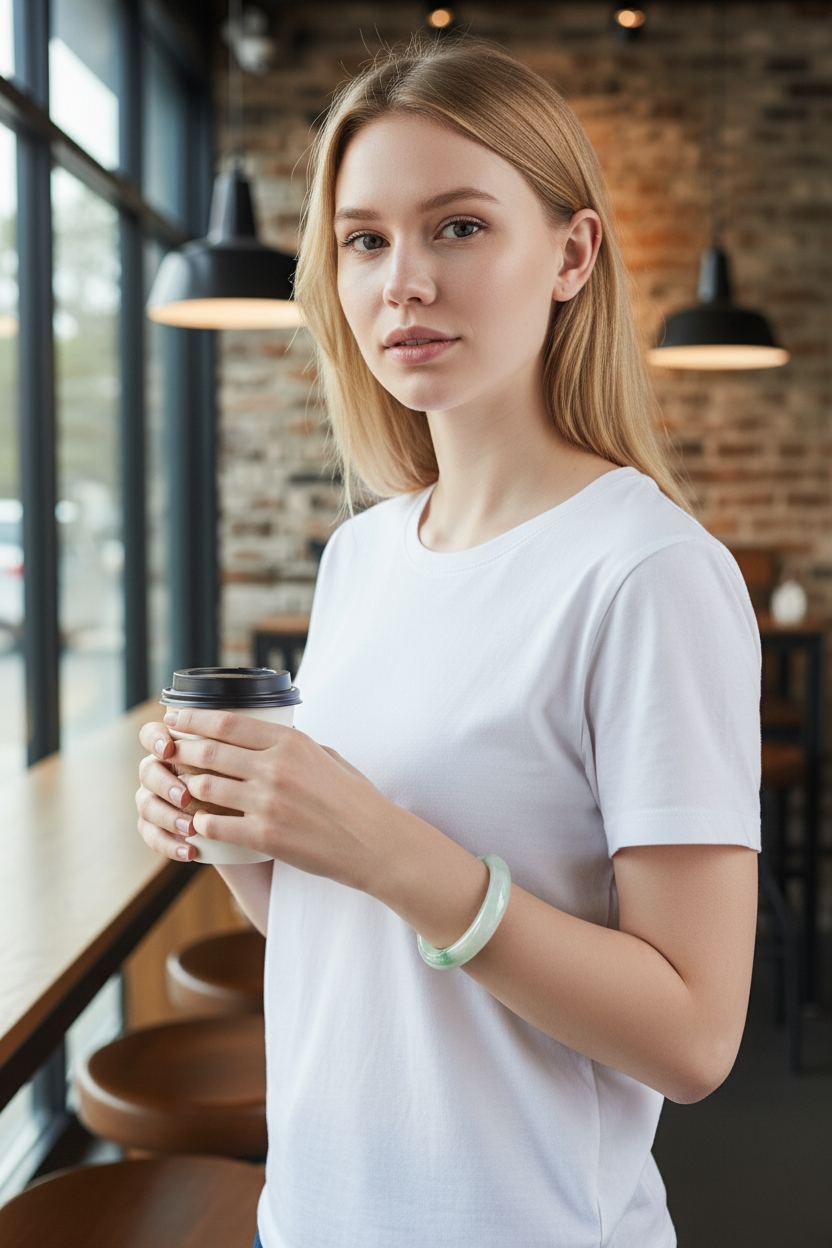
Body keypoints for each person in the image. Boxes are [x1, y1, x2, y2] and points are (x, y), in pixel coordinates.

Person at [136, 37, 761, 1248]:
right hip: (314, 1215)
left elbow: (693, 1039)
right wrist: (234, 832)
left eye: (457, 227)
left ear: (571, 254)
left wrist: (387, 847)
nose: (400, 283)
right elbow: (350, 931)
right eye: (365, 239)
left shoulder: (648, 572)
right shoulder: (361, 556)